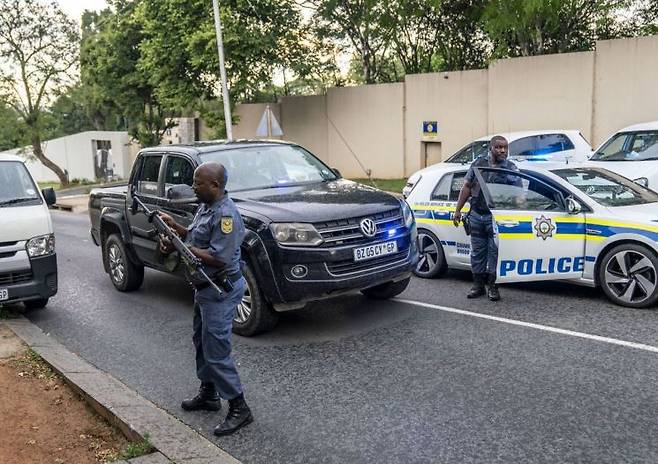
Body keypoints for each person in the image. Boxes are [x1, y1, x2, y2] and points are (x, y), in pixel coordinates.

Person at [158, 161, 253, 436]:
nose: (193, 186)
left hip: (219, 289)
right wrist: (176, 227)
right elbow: (197, 239)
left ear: (215, 185)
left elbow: (218, 256)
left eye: (198, 183)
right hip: (204, 289)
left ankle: (239, 408)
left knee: (216, 350)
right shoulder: (206, 207)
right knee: (201, 342)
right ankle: (209, 394)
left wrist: (182, 245)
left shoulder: (227, 216)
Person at [452, 136, 521, 301]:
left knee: (495, 254)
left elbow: (519, 195)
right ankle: (478, 286)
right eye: (498, 147)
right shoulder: (478, 164)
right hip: (476, 214)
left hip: (496, 218)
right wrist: (457, 210)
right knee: (477, 253)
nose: (502, 150)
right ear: (491, 148)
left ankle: (493, 287)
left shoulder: (511, 168)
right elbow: (467, 187)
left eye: (505, 147)